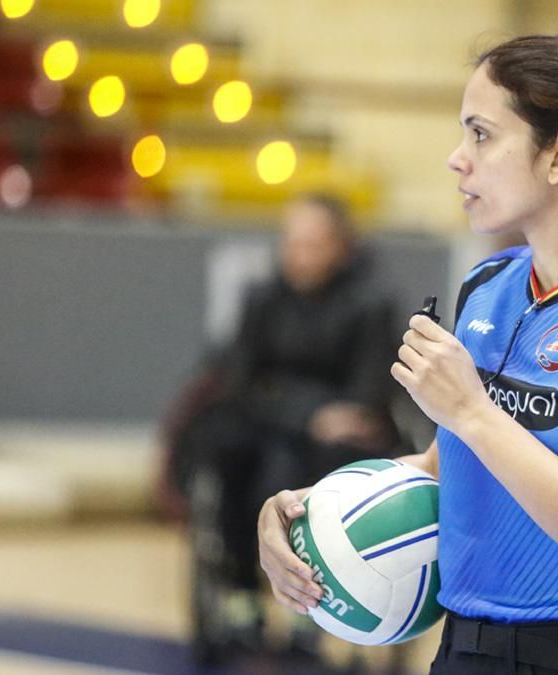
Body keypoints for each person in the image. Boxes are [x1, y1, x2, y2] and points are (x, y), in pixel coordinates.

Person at [258, 35, 558, 675]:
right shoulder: (491, 284)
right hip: (465, 654)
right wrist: (303, 513)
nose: (457, 159)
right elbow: (446, 469)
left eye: (481, 134)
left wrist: (474, 413)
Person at [178, 193, 399, 666]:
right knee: (229, 453)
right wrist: (307, 413)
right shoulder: (263, 298)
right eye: (292, 243)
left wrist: (305, 410)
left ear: (341, 246)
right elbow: (239, 381)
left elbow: (367, 394)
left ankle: (309, 607)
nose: (301, 256)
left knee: (311, 464)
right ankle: (242, 596)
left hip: (333, 444)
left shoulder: (370, 304)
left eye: (313, 244)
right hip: (267, 427)